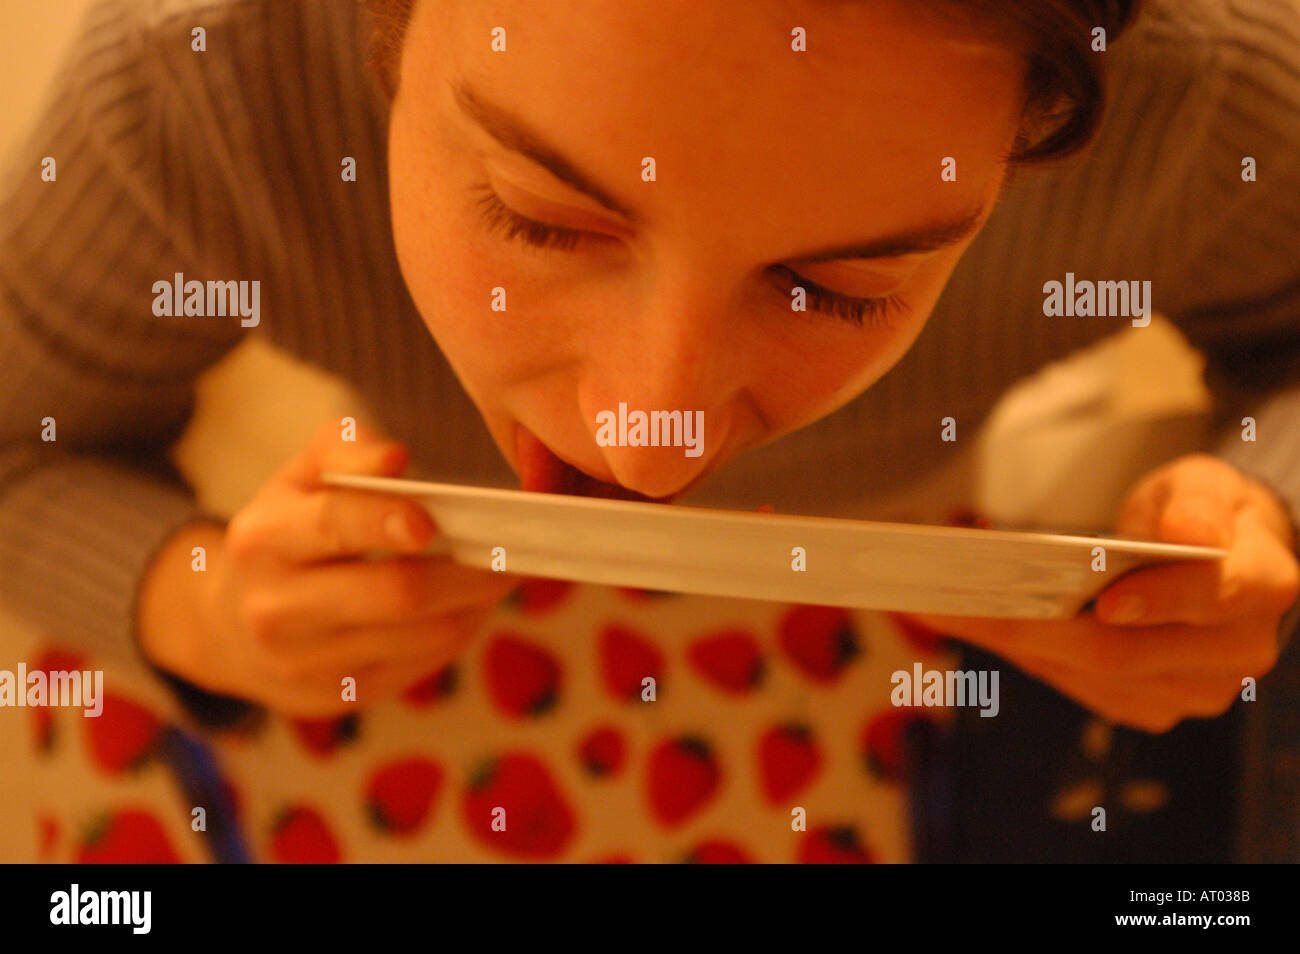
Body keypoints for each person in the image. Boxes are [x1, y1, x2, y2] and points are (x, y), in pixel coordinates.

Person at [1, 0, 1298, 862]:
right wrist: (204, 603)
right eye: (540, 218)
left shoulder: (1201, 106)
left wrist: (1259, 500)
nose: (648, 451)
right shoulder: (192, 84)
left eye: (836, 288)